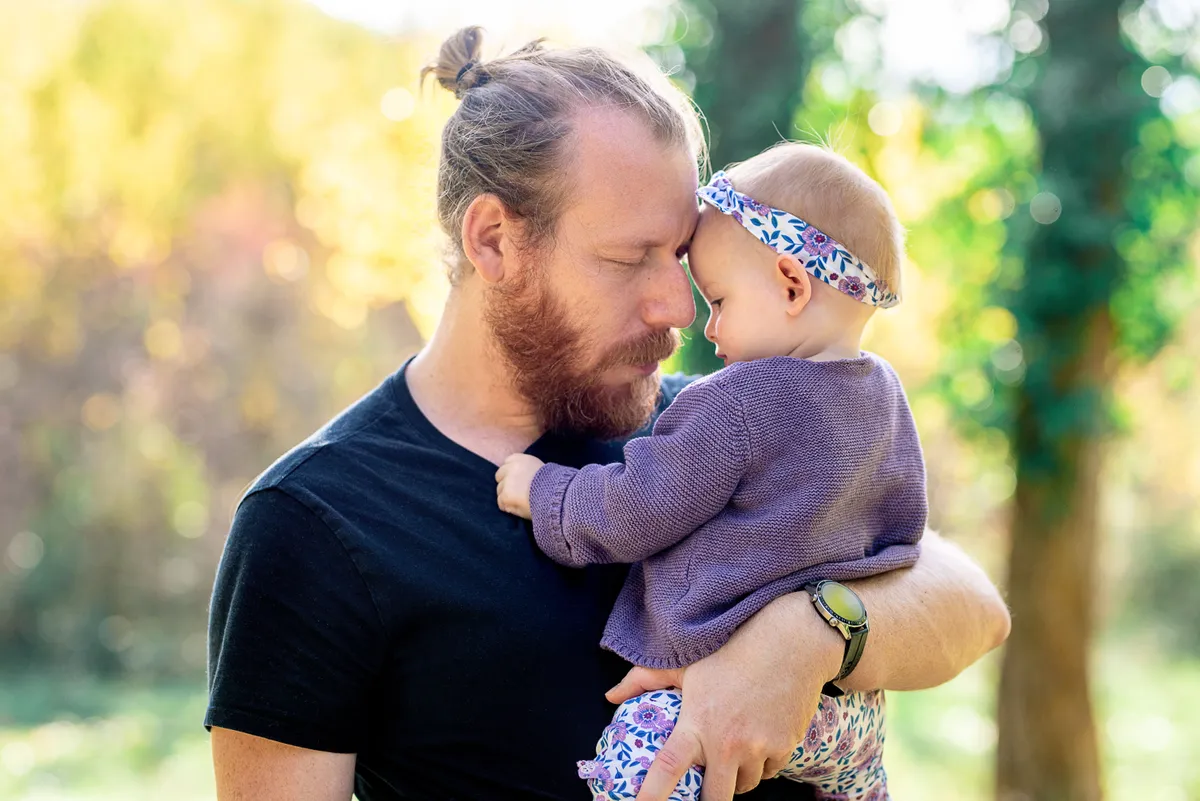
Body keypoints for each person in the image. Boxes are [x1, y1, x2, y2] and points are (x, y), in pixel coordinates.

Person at [206, 27, 1011, 801]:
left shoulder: (712, 418)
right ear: (492, 241)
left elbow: (971, 603)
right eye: (630, 259)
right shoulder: (314, 522)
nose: (678, 308)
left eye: (681, 256)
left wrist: (807, 634)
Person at [495, 144, 923, 801]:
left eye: (719, 299)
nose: (708, 325)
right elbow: (903, 540)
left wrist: (543, 489)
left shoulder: (739, 400)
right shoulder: (885, 395)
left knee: (640, 768)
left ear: (790, 284)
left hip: (717, 687)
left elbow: (635, 509)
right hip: (850, 715)